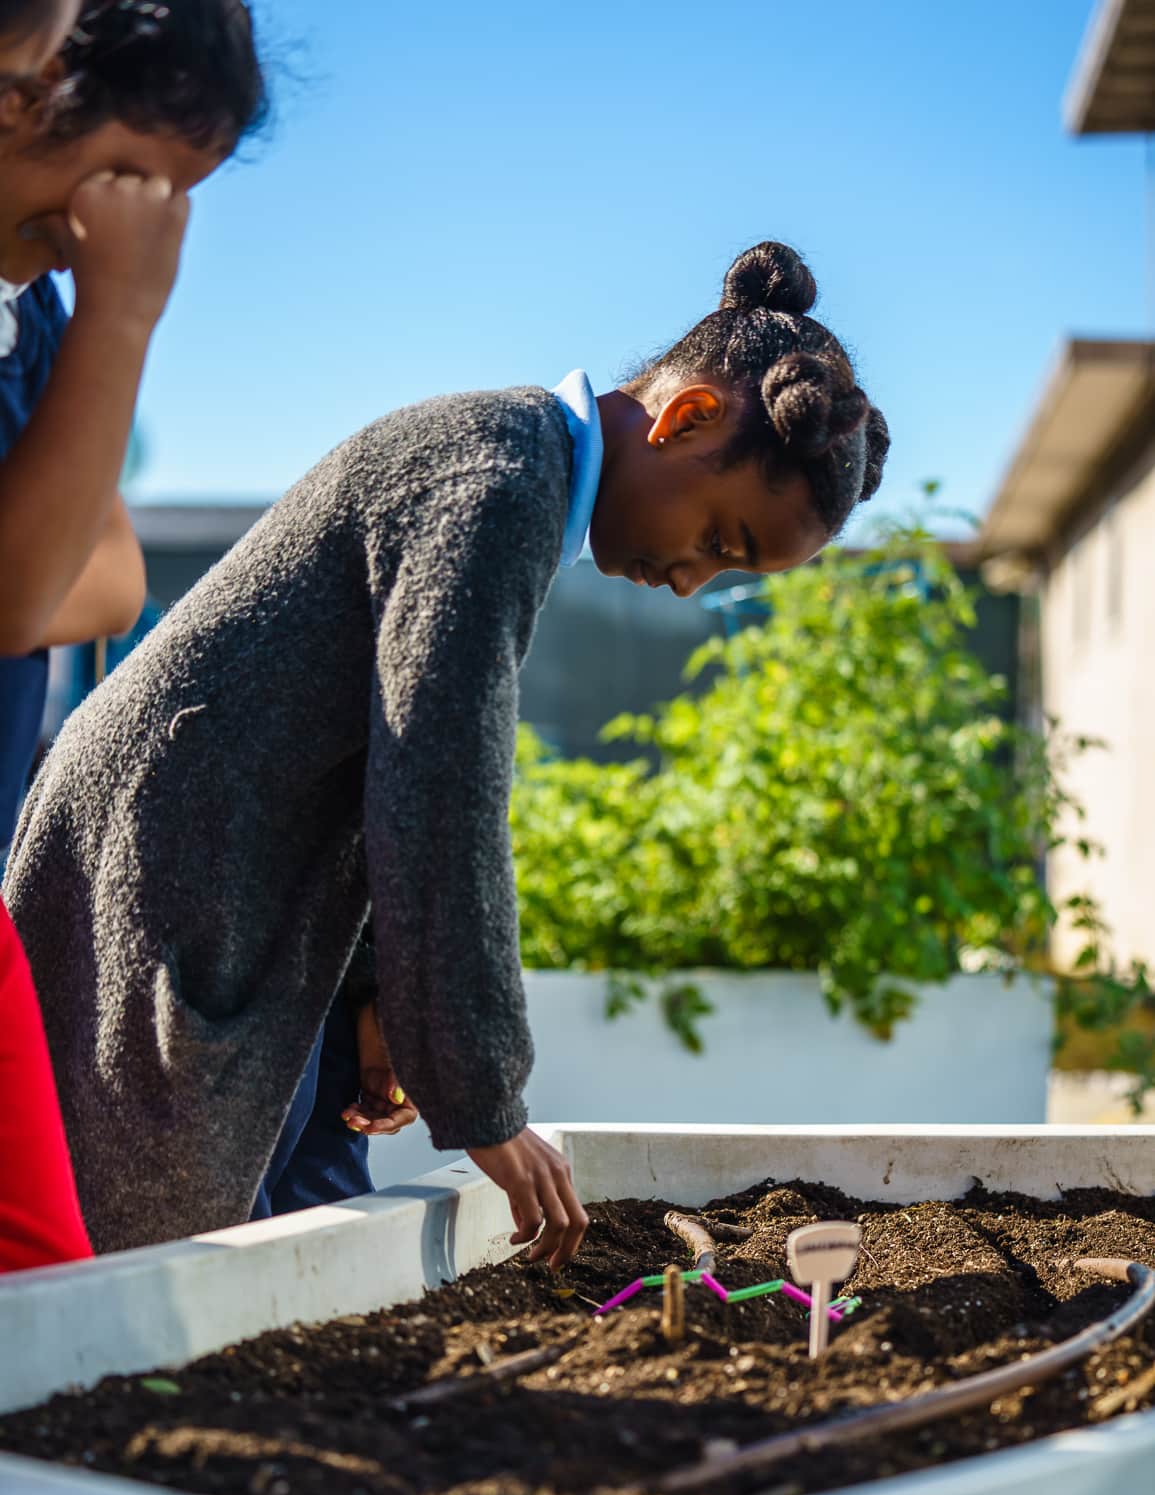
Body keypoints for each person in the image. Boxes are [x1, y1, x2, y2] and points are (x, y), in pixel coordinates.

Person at [6, 240, 890, 1270]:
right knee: (143, 1282)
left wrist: (385, 992)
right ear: (684, 416)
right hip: (169, 877)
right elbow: (443, 784)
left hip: (254, 899)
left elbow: (391, 755)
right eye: (722, 538)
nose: (694, 582)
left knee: (306, 1265)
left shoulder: (521, 475)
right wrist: (484, 1100)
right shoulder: (497, 475)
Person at [0, 0, 267, 1272]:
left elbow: (102, 576)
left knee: (43, 1296)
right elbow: (19, 593)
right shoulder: (83, 314)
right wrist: (123, 317)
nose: (118, 233)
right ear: (25, 93)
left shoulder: (32, 321)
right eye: (128, 183)